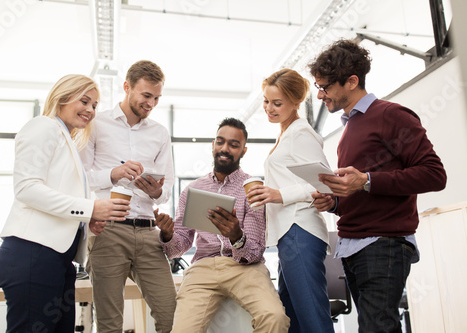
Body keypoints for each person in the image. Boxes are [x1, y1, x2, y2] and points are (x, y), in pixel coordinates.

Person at [308, 39, 447, 332]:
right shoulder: (349, 128)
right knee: (374, 326)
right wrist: (334, 202)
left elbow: (434, 174)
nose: (320, 95)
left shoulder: (391, 115)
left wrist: (367, 180)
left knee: (376, 327)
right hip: (352, 246)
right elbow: (361, 191)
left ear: (352, 81)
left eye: (325, 87)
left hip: (382, 243)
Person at [0, 74, 131, 333]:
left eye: (95, 105)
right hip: (33, 253)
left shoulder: (67, 140)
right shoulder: (43, 126)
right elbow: (27, 188)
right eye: (84, 101)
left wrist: (88, 222)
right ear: (62, 97)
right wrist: (90, 208)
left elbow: (57, 196)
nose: (91, 110)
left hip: (58, 259)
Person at [154, 117, 290, 333]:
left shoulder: (252, 188)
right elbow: (177, 249)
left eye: (234, 145)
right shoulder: (192, 189)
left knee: (275, 318)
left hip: (244, 269)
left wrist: (237, 236)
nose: (225, 149)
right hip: (203, 268)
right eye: (220, 142)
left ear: (244, 151)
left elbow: (254, 252)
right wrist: (169, 234)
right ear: (213, 145)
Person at [80, 60, 176, 333]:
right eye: (146, 95)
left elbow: (165, 190)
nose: (152, 103)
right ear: (126, 87)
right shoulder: (96, 123)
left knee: (172, 317)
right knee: (110, 325)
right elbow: (81, 176)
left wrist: (155, 190)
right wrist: (114, 173)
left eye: (157, 97)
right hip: (108, 229)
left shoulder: (160, 133)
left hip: (148, 233)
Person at [246, 69, 335, 333]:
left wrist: (277, 194)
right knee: (292, 319)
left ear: (296, 103)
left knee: (312, 319)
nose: (268, 108)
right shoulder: (286, 133)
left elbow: (323, 182)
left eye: (277, 103)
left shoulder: (300, 133)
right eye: (266, 101)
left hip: (300, 231)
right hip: (290, 234)